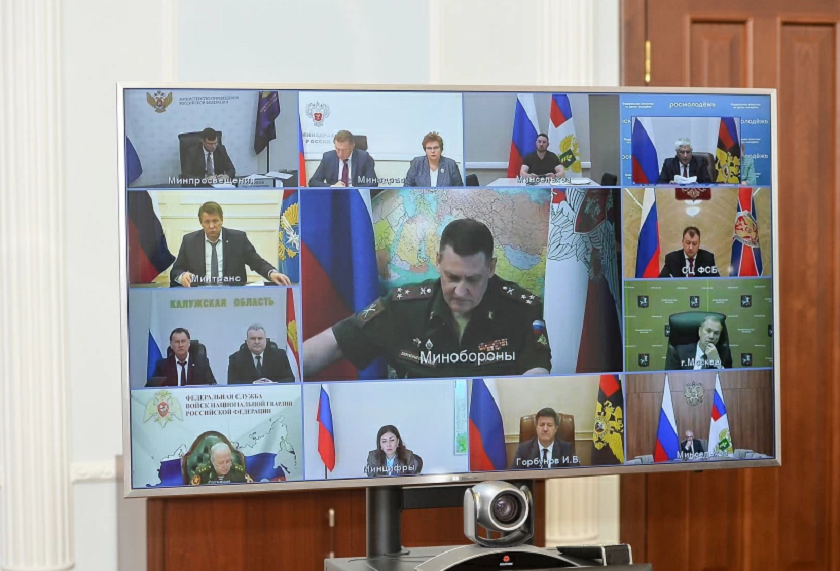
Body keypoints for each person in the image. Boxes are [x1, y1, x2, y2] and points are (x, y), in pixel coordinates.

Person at [302, 218, 551, 379]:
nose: (461, 290)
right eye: (452, 277)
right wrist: (284, 369)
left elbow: (537, 378)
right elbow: (336, 343)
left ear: (491, 267)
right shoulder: (404, 308)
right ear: (438, 261)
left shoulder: (522, 310)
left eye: (473, 279)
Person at [170, 201, 291, 287]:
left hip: (233, 298)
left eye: (215, 221)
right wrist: (182, 276)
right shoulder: (190, 241)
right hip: (200, 298)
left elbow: (257, 262)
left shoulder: (238, 239)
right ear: (201, 222)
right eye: (207, 222)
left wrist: (272, 273)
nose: (211, 226)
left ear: (222, 220)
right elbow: (176, 270)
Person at [147, 328, 217, 387]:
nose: (180, 345)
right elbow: (153, 389)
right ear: (171, 345)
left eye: (183, 341)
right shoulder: (162, 365)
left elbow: (213, 386)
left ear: (189, 343)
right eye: (177, 342)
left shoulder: (201, 363)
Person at [227, 324, 295, 384]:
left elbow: (291, 379)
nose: (257, 342)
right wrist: (254, 383)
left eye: (260, 338)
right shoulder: (235, 359)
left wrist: (273, 384)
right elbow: (231, 383)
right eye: (253, 339)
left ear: (265, 340)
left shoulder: (280, 356)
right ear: (247, 341)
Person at [510, 408, 576, 469]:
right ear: (536, 427)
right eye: (542, 425)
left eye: (549, 425)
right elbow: (515, 476)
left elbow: (575, 475)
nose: (545, 429)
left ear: (556, 429)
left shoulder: (567, 449)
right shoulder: (523, 449)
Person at [308, 130, 378, 187]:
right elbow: (313, 182)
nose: (340, 154)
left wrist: (354, 190)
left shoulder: (364, 157)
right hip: (334, 195)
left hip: (356, 196)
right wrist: (332, 187)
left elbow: (373, 183)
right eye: (338, 149)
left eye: (344, 150)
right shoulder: (328, 158)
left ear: (352, 146)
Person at [665, 315, 733, 370]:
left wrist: (716, 362)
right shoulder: (679, 352)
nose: (711, 336)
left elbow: (728, 381)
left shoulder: (724, 354)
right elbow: (670, 378)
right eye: (708, 331)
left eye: (716, 333)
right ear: (700, 331)